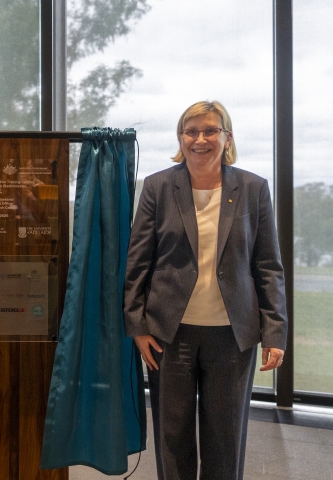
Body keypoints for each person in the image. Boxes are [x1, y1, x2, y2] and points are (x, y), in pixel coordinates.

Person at [123, 101, 288, 480]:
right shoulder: (158, 186)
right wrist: (138, 325)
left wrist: (274, 331)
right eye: (191, 131)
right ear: (181, 139)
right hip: (169, 333)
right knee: (173, 436)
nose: (200, 139)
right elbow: (138, 262)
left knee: (225, 437)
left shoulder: (253, 188)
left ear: (227, 137)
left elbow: (268, 265)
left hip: (232, 336)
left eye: (210, 130)